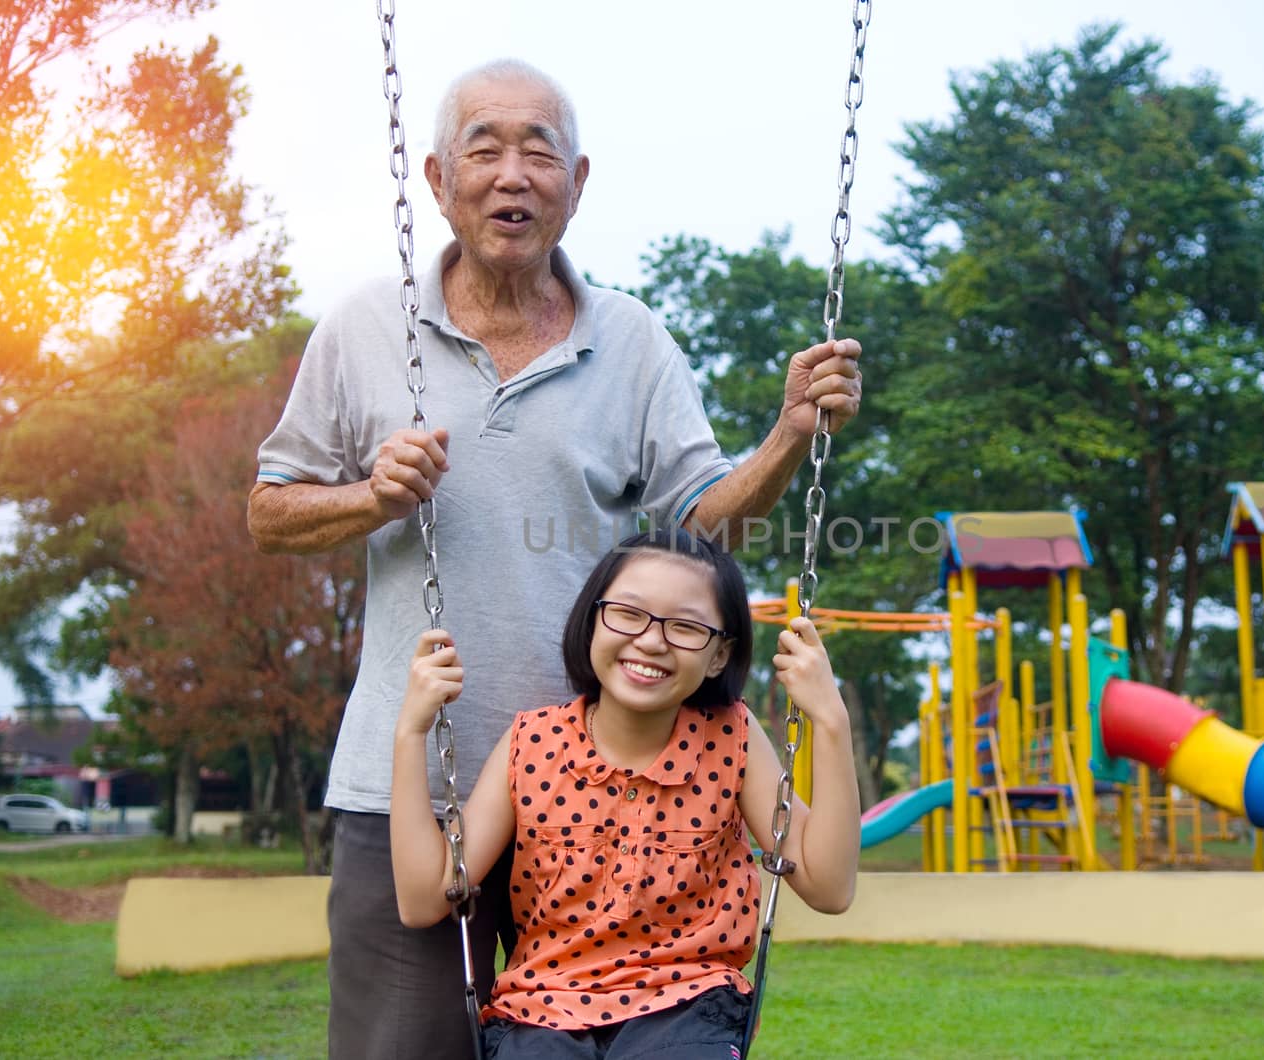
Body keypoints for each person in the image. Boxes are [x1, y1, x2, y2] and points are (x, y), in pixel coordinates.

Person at [246, 59, 862, 1057]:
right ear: (437, 179)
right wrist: (371, 494)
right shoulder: (367, 327)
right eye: (484, 148)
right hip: (416, 784)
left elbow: (702, 524)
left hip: (600, 788)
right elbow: (270, 513)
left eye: (540, 151)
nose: (512, 173)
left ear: (578, 183)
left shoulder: (634, 341)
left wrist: (788, 434)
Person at [391, 529, 861, 1057]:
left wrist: (831, 720)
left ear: (718, 655)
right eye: (629, 613)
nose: (652, 641)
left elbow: (829, 888)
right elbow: (425, 898)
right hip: (543, 1008)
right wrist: (410, 731)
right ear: (594, 621)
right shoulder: (533, 742)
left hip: (687, 1002)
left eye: (685, 626)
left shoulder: (733, 736)